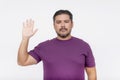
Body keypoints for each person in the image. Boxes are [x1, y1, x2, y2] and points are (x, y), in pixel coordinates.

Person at [17, 9, 97, 80]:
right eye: (58, 22)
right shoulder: (44, 47)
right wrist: (25, 39)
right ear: (54, 26)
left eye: (66, 21)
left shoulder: (83, 46)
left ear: (72, 24)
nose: (62, 25)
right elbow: (22, 61)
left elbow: (92, 74)